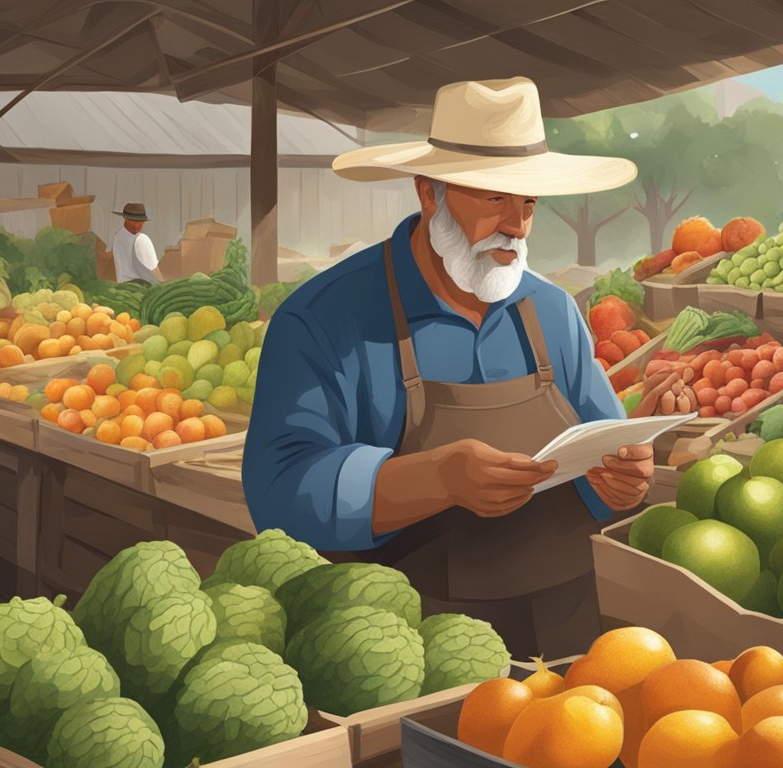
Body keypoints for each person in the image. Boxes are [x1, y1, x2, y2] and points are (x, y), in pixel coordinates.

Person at [243, 77, 677, 658]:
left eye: (527, 204)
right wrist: (437, 479)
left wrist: (623, 483)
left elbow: (600, 456)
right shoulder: (326, 317)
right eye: (494, 199)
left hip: (567, 627)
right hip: (399, 645)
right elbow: (279, 494)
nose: (516, 225)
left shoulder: (552, 310)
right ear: (430, 193)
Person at [111, 202, 162, 283]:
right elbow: (155, 272)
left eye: (139, 222)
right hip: (143, 291)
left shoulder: (117, 237)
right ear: (126, 219)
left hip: (124, 289)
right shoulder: (141, 239)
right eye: (133, 222)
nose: (136, 226)